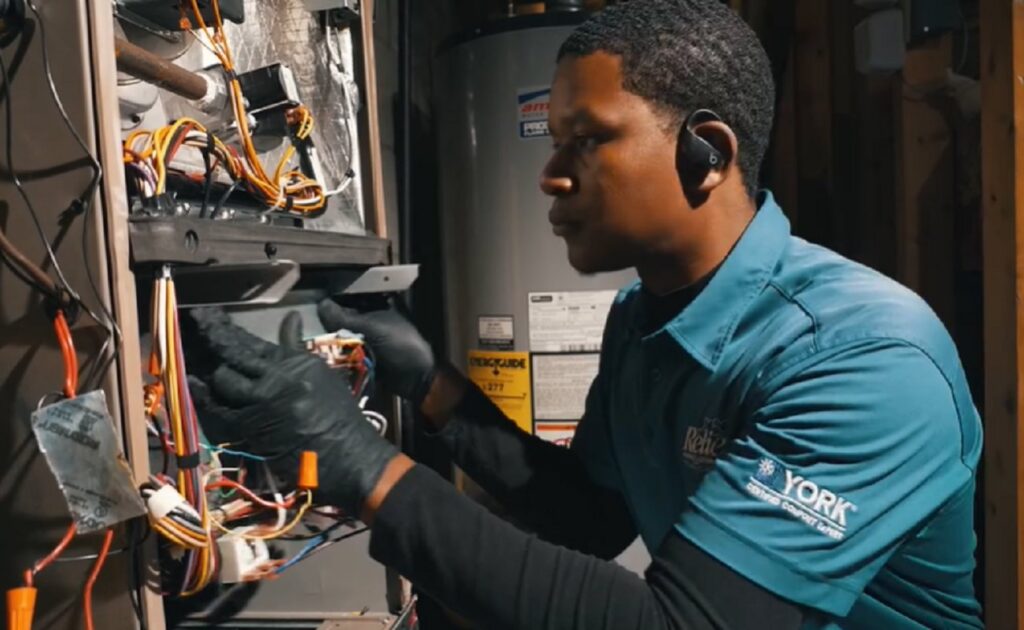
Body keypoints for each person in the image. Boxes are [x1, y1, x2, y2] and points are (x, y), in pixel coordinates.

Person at [188, 1, 984, 627]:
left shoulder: (862, 356)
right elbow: (594, 518)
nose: (550, 176)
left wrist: (361, 465)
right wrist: (435, 388)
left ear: (705, 153)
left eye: (586, 141)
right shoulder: (642, 316)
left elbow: (679, 625)